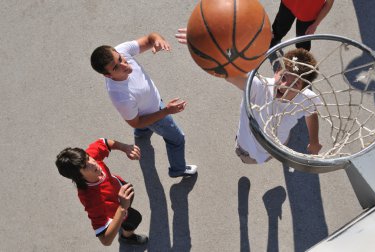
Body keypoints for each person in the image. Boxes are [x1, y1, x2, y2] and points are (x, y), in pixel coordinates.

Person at [175, 29, 322, 164]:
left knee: (276, 147)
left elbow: (311, 112)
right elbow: (228, 73)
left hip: (278, 145)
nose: (285, 86)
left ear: (304, 89)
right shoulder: (259, 87)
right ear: (277, 71)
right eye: (284, 77)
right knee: (246, 158)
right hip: (249, 149)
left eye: (295, 85)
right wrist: (208, 47)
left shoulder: (307, 98)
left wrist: (314, 140)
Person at [90, 32, 197, 178]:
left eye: (120, 59)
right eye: (116, 68)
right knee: (177, 139)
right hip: (156, 115)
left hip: (147, 106)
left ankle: (141, 135)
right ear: (108, 75)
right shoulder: (121, 98)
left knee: (142, 126)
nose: (124, 65)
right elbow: (137, 122)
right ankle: (178, 170)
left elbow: (149, 39)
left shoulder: (121, 50)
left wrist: (158, 40)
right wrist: (166, 111)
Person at [55, 138, 148, 246]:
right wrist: (122, 208)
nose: (93, 163)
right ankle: (127, 237)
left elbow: (104, 142)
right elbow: (105, 240)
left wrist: (125, 147)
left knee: (130, 192)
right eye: (85, 167)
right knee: (135, 218)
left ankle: (118, 224)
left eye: (88, 158)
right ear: (79, 177)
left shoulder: (89, 158)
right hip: (119, 209)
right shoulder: (93, 202)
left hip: (121, 189)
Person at [270, 0, 334, 51]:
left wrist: (315, 24)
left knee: (302, 43)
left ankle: (300, 60)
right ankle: (273, 40)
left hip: (308, 14)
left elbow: (328, 4)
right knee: (279, 28)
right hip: (288, 3)